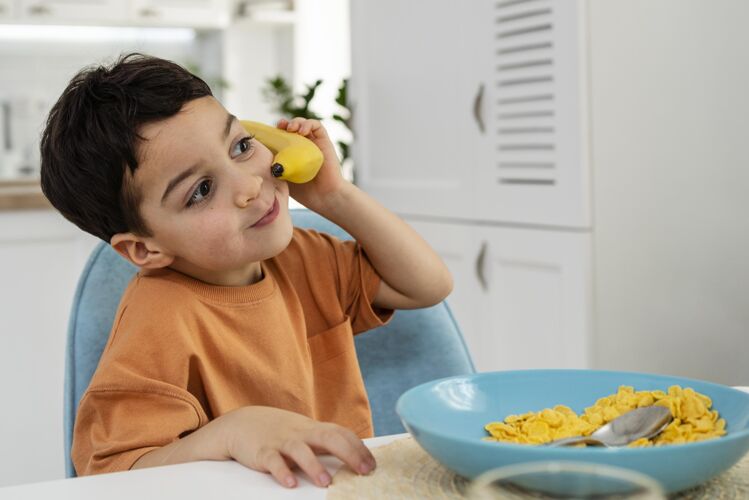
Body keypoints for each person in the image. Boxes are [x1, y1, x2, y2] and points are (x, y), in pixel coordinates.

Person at [40, 53, 452, 489]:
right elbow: (109, 476)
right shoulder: (157, 321)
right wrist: (229, 432)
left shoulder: (307, 258)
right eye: (200, 191)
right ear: (144, 248)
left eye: (240, 146)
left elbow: (428, 285)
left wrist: (335, 196)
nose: (250, 185)